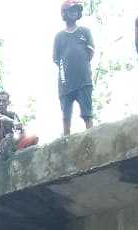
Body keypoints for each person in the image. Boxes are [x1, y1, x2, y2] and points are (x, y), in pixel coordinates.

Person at [54, 2, 95, 136]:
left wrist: (82, 66)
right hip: (65, 82)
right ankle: (66, 140)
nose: (74, 12)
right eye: (71, 10)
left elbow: (90, 53)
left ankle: (91, 137)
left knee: (87, 114)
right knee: (66, 116)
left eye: (76, 10)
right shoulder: (59, 37)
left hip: (83, 79)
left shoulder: (85, 32)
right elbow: (56, 58)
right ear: (65, 13)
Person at [0, 92, 40, 159]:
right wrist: (13, 122)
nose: (1, 104)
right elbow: (0, 117)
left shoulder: (13, 114)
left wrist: (15, 138)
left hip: (11, 146)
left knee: (34, 138)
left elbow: (21, 131)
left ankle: (17, 154)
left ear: (8, 102)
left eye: (4, 101)